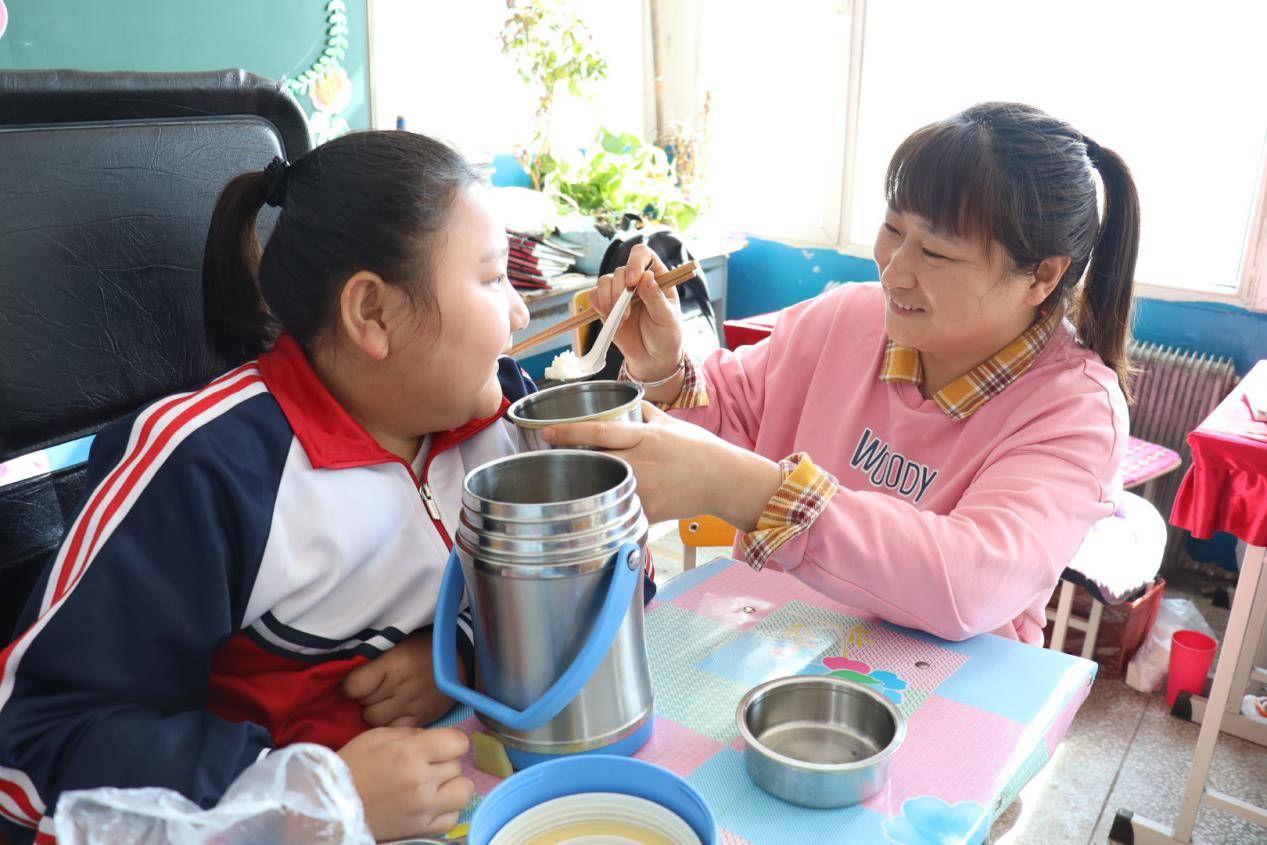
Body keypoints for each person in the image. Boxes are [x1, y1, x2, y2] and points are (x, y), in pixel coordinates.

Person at [0, 131, 531, 843]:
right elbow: (29, 744)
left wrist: (457, 651)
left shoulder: (501, 414)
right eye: (493, 277)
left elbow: (607, 583)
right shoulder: (206, 467)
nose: (522, 313)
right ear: (372, 313)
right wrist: (308, 796)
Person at [544, 102, 1137, 646]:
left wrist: (751, 491)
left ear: (1041, 276)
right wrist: (665, 371)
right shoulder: (847, 319)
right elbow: (733, 409)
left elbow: (969, 581)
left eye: (935, 253)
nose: (895, 271)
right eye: (893, 229)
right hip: (775, 640)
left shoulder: (1075, 411)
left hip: (950, 687)